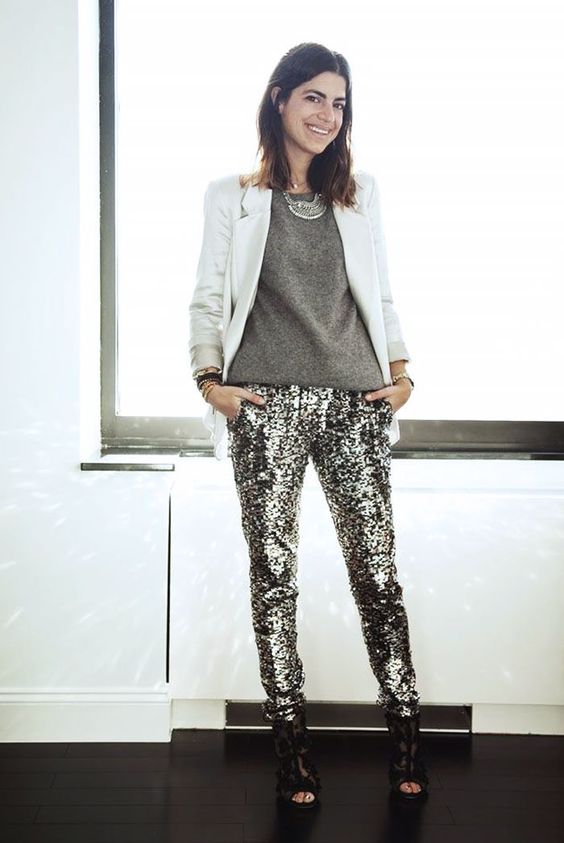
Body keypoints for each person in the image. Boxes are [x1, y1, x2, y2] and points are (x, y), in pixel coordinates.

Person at [189, 42, 429, 808]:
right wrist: (211, 384)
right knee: (274, 579)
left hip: (355, 402)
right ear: (280, 99)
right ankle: (291, 748)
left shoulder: (360, 194)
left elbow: (380, 293)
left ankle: (406, 735)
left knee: (377, 576)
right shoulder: (232, 196)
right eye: (314, 98)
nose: (328, 115)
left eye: (340, 102)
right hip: (265, 405)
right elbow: (207, 296)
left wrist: (402, 375)